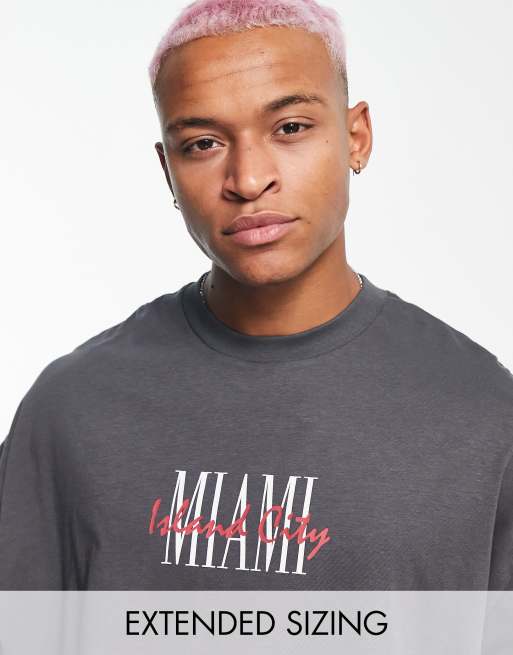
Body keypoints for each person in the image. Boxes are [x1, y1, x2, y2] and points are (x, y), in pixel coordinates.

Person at [1, 0, 512, 591]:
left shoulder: (483, 415)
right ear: (168, 172)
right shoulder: (70, 410)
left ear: (356, 138)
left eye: (290, 128)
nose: (248, 180)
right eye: (203, 143)